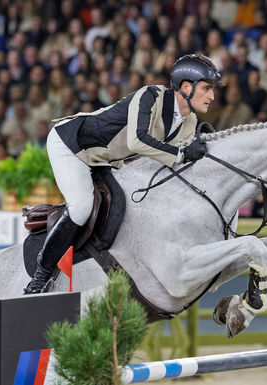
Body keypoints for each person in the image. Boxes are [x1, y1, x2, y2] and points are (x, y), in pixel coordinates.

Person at [23, 54, 222, 294]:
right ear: (187, 87)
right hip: (72, 146)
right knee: (82, 206)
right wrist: (182, 154)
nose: (212, 96)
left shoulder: (189, 121)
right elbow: (138, 141)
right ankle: (41, 274)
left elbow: (175, 162)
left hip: (105, 160)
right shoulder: (151, 96)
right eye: (207, 88)